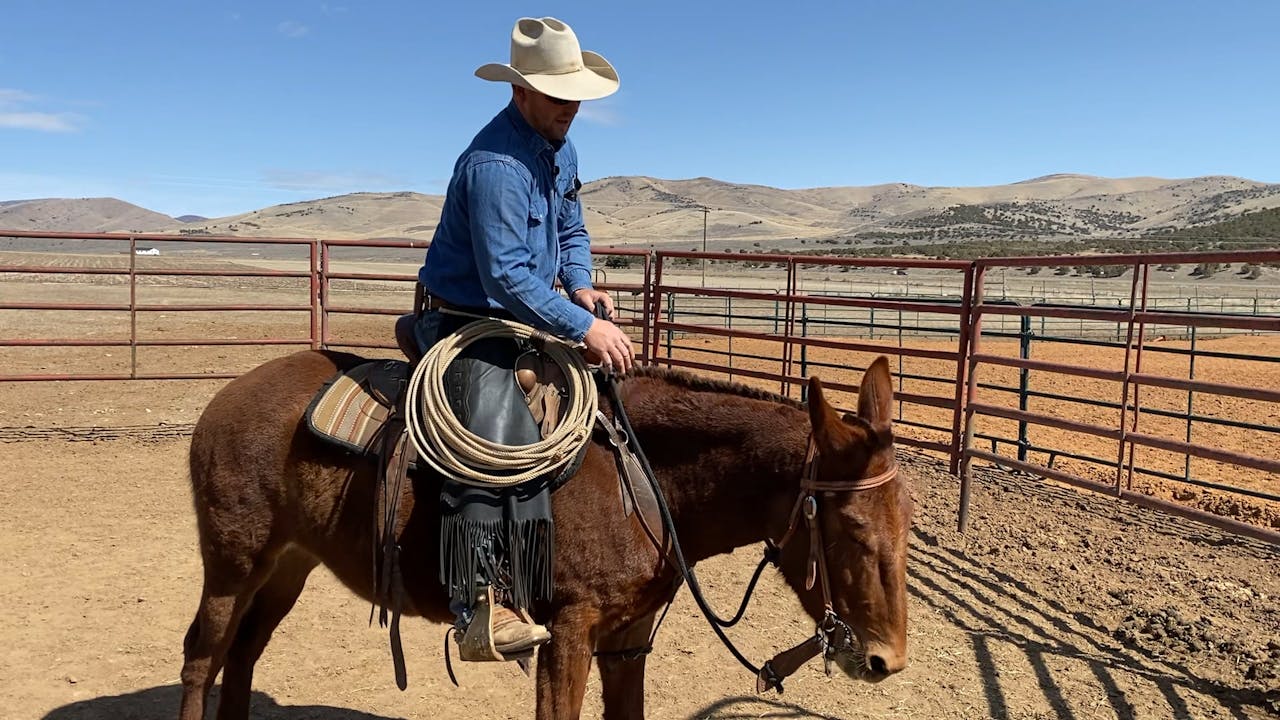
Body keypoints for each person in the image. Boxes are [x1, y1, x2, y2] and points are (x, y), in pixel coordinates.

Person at [412, 16, 634, 661]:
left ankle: (538, 584)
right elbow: (505, 275)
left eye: (575, 97)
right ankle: (478, 603)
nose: (570, 107)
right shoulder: (495, 165)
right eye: (557, 94)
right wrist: (584, 324)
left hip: (529, 313)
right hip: (465, 318)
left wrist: (582, 283)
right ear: (520, 92)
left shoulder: (559, 148)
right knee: (493, 445)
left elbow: (570, 226)